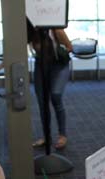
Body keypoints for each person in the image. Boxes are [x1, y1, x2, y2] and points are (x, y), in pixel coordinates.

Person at [29, 20, 72, 151]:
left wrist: (59, 51)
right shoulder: (30, 33)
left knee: (56, 95)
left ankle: (62, 135)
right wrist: (1, 66)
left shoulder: (55, 30)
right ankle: (47, 137)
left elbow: (70, 47)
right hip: (41, 66)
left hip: (59, 65)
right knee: (42, 103)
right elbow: (15, 51)